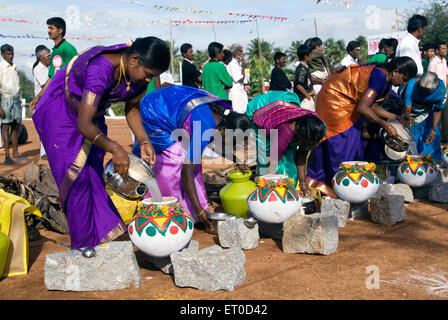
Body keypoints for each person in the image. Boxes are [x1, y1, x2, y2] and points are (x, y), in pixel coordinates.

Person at [32, 37, 170, 249]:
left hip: (89, 114)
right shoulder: (101, 69)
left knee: (93, 173)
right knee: (76, 177)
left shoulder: (138, 79)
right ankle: (85, 244)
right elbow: (84, 124)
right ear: (134, 60)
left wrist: (143, 140)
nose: (149, 81)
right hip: (59, 115)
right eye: (149, 75)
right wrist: (115, 148)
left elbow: (132, 108)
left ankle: (105, 234)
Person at [134, 85, 250, 234]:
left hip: (169, 105)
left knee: (194, 160)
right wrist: (199, 210)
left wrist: (236, 159)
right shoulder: (205, 127)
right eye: (231, 142)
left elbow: (212, 143)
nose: (230, 145)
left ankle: (195, 213)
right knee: (176, 159)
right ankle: (173, 212)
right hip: (153, 111)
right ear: (223, 131)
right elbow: (186, 173)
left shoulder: (221, 119)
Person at [306, 57, 417, 197]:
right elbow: (363, 108)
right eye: (404, 79)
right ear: (395, 72)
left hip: (345, 101)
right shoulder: (380, 78)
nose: (404, 83)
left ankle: (343, 188)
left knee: (355, 143)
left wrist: (396, 118)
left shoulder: (383, 78)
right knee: (344, 142)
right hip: (335, 101)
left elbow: (373, 106)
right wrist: (385, 124)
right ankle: (336, 189)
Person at [246, 91, 327, 194]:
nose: (306, 146)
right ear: (298, 134)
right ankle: (267, 194)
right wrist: (284, 188)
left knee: (289, 155)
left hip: (284, 110)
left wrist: (303, 181)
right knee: (266, 158)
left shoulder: (316, 129)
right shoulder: (287, 130)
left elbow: (301, 155)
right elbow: (270, 163)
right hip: (261, 110)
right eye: (304, 143)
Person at [29, 17, 77, 110]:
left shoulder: (68, 49)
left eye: (51, 28)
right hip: (56, 96)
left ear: (60, 30)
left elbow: (74, 74)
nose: (48, 31)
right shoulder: (54, 51)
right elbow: (52, 78)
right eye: (48, 28)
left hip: (67, 98)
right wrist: (38, 97)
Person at [403, 72, 447, 159]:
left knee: (430, 143)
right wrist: (408, 120)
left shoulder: (441, 90)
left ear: (435, 88)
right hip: (410, 116)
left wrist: (433, 130)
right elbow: (407, 109)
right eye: (421, 89)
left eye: (426, 91)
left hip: (427, 115)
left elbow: (438, 110)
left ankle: (430, 166)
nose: (423, 92)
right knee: (410, 145)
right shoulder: (412, 85)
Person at [0, 44, 26, 165]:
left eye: (12, 54)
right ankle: (7, 156)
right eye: (8, 54)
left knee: (15, 126)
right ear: (2, 54)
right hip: (5, 100)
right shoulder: (1, 67)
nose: (11, 56)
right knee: (5, 127)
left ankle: (16, 154)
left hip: (16, 99)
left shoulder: (14, 67)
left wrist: (19, 98)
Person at [32, 45, 51, 160]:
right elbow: (46, 85)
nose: (50, 57)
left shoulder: (50, 67)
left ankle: (49, 150)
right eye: (48, 55)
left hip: (50, 101)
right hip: (41, 103)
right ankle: (43, 152)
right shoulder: (37, 69)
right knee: (44, 127)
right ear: (40, 57)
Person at [428, 40, 448, 143]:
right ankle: (437, 141)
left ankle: (444, 141)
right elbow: (430, 80)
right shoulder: (433, 63)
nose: (446, 50)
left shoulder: (444, 61)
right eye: (443, 49)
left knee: (445, 118)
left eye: (446, 48)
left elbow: (446, 77)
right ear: (437, 50)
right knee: (437, 118)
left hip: (444, 94)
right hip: (436, 95)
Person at [225, 44, 248, 114]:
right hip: (235, 93)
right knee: (236, 113)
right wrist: (243, 67)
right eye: (240, 52)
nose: (242, 54)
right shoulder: (232, 64)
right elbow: (240, 79)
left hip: (240, 93)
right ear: (234, 53)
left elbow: (245, 80)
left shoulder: (238, 64)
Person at [293, 44, 315, 111]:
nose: (312, 57)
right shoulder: (302, 69)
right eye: (311, 55)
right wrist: (308, 96)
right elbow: (298, 85)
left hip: (307, 98)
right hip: (304, 100)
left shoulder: (305, 67)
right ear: (306, 56)